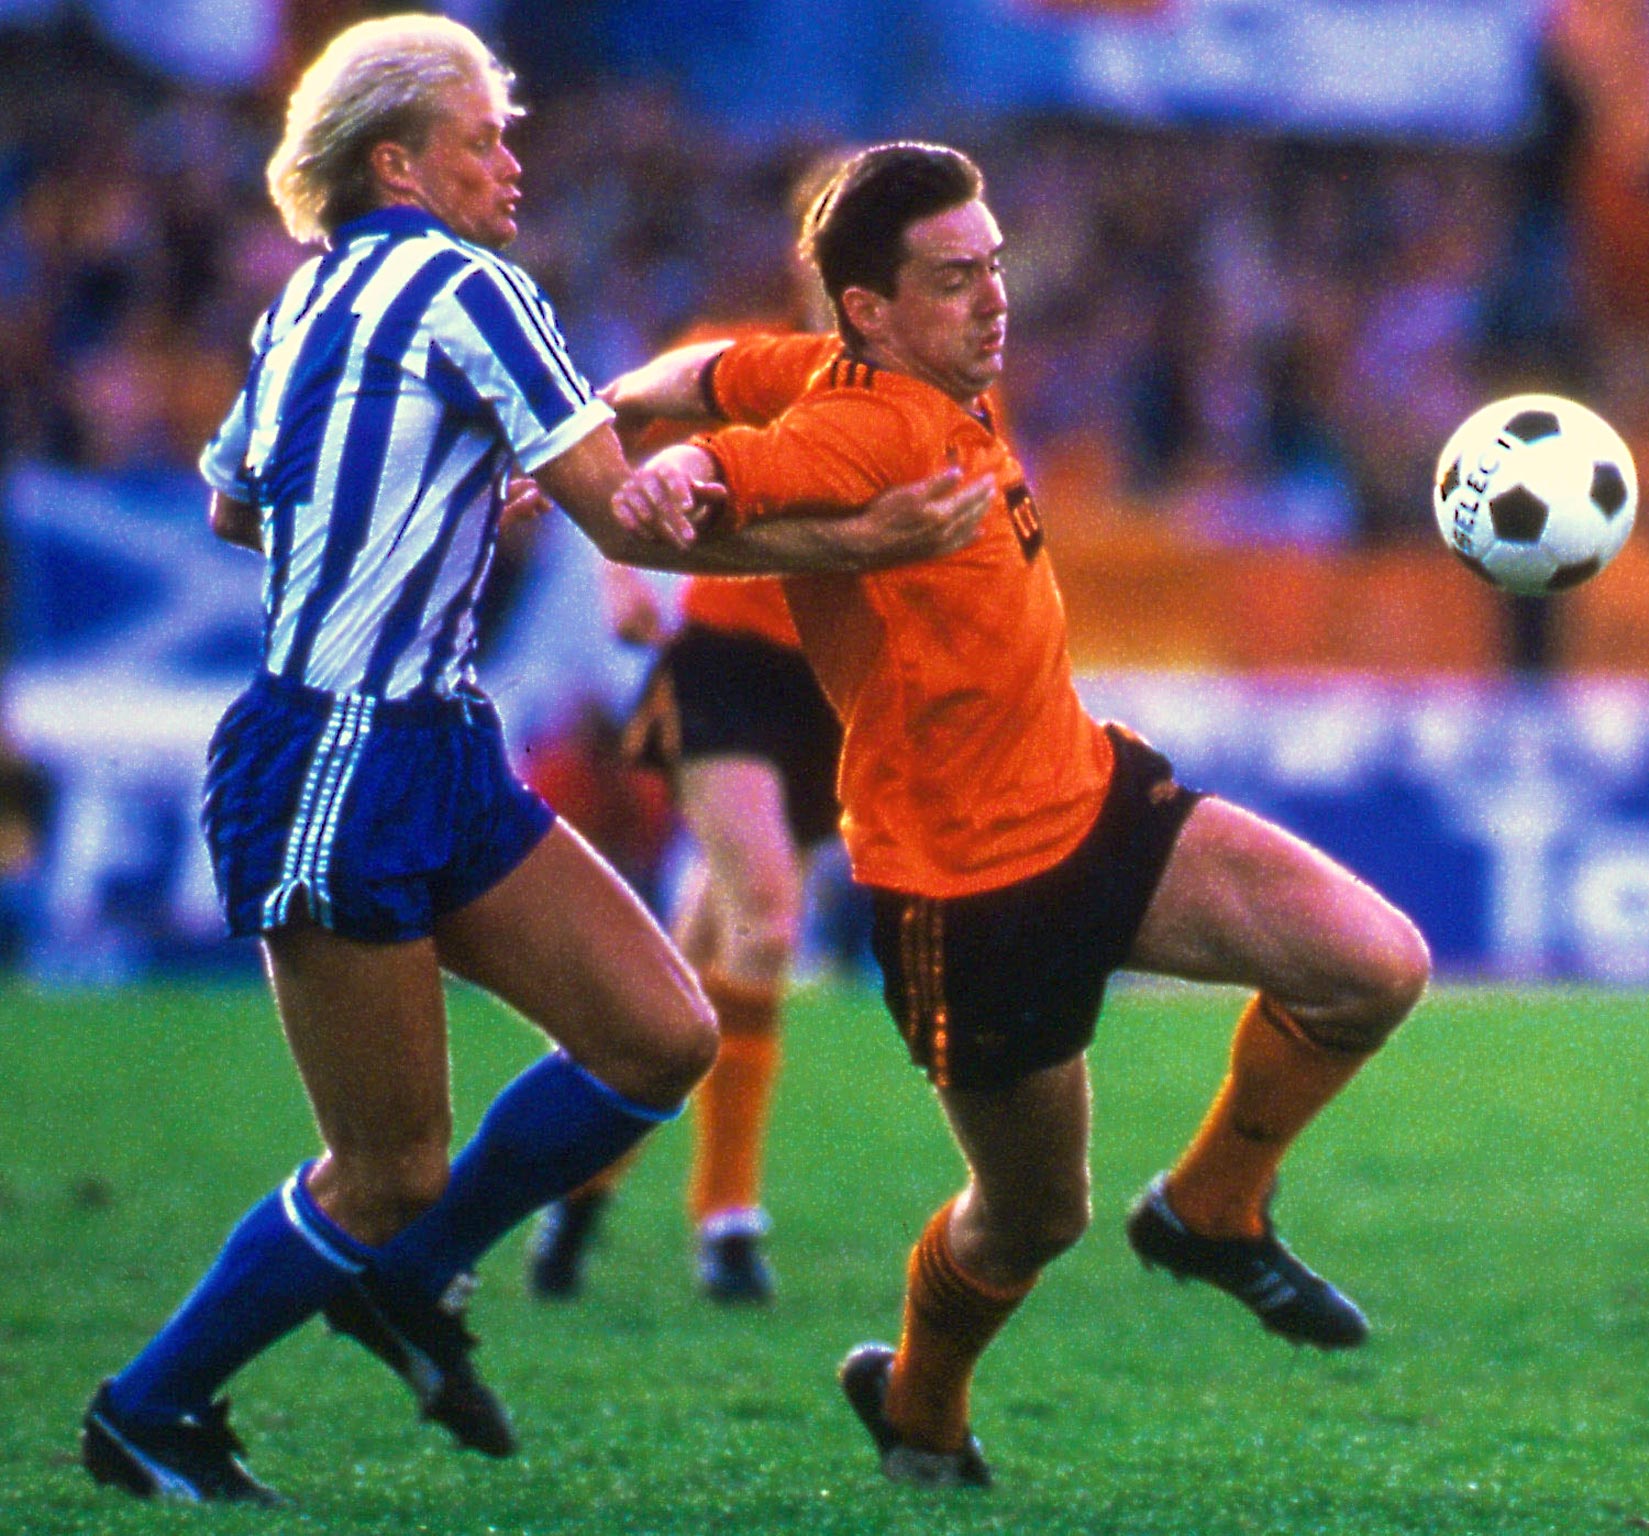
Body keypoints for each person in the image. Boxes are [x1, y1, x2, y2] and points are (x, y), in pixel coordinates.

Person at [78, 25, 990, 1506]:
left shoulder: (305, 300)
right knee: (384, 1167)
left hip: (430, 737)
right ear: (398, 163)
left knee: (659, 1035)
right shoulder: (466, 284)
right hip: (342, 755)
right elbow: (629, 521)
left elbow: (239, 508)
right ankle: (151, 1407)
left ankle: (412, 1280)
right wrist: (869, 541)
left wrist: (417, 496)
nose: (512, 164)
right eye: (483, 140)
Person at [607, 142, 1433, 1489]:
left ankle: (1214, 1208)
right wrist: (667, 485)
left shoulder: (849, 367)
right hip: (966, 895)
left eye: (995, 267)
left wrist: (617, 401)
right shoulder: (858, 423)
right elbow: (735, 472)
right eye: (954, 279)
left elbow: (704, 378)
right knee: (1032, 1217)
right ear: (868, 310)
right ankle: (921, 1406)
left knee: (1373, 966)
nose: (994, 300)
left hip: (1094, 796)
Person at [527, 161, 853, 1306]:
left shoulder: (951, 401)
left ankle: (581, 1183)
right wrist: (619, 565)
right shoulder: (741, 361)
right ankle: (727, 1219)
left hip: (824, 692)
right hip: (720, 665)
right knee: (767, 910)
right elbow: (597, 432)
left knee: (697, 953)